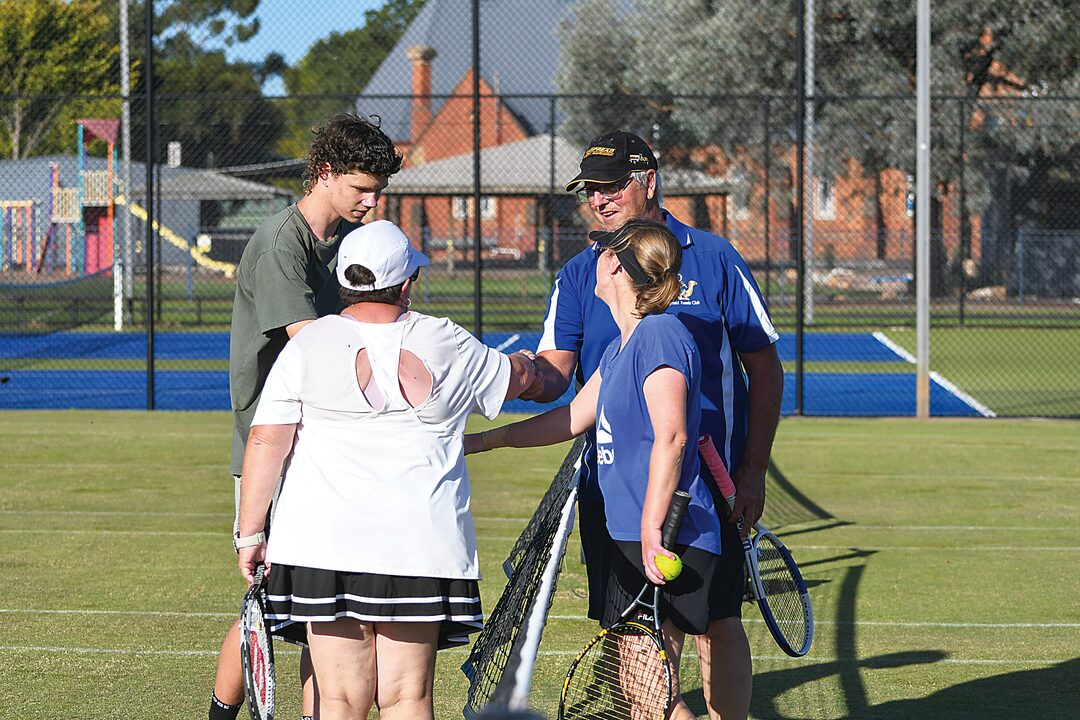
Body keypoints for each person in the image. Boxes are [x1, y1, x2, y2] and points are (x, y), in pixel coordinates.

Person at [520, 131, 784, 720]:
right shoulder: (581, 274)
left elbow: (764, 366)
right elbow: (555, 374)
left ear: (649, 182)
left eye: (612, 186)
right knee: (636, 636)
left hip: (707, 490)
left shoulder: (713, 257)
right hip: (615, 490)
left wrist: (752, 471)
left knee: (717, 623)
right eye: (591, 190)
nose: (599, 200)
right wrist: (507, 376)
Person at [236, 220, 536, 720]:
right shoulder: (445, 338)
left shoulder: (308, 343)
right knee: (407, 698)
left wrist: (249, 536)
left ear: (344, 281)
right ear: (405, 283)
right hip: (421, 546)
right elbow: (519, 377)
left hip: (323, 547)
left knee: (339, 699)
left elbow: (267, 440)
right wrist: (534, 363)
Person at [466, 218, 717, 720]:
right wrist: (481, 442)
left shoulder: (659, 334)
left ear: (617, 268)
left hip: (666, 533)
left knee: (650, 690)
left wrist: (651, 529)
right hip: (629, 530)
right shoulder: (619, 345)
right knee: (643, 688)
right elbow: (571, 418)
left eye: (603, 252)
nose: (593, 260)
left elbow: (672, 436)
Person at [211, 113, 403, 720]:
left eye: (378, 192)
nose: (371, 203)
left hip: (327, 449)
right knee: (272, 609)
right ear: (324, 173)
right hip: (274, 450)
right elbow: (312, 343)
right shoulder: (281, 244)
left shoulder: (349, 241)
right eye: (361, 189)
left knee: (321, 612)